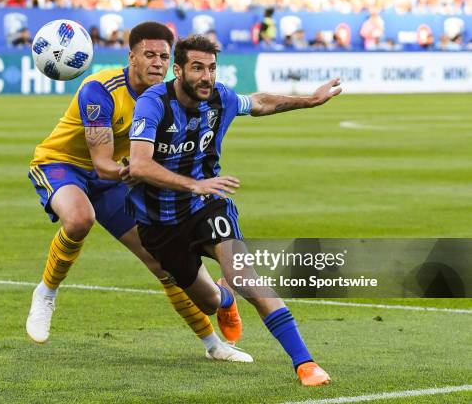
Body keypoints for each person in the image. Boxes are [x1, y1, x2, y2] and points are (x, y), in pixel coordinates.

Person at [26, 22, 250, 362]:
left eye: (163, 56)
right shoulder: (99, 90)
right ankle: (46, 293)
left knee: (162, 263)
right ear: (131, 57)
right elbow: (101, 164)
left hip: (117, 177)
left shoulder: (166, 98)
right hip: (63, 164)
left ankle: (212, 344)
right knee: (79, 218)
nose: (157, 63)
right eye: (149, 55)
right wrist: (137, 172)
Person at [125, 35, 341, 386]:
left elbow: (258, 102)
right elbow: (138, 165)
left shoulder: (220, 98)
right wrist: (192, 183)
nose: (206, 76)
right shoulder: (154, 103)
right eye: (197, 68)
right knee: (208, 302)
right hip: (158, 223)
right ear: (177, 70)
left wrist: (309, 100)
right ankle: (225, 297)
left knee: (246, 276)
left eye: (211, 68)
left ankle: (305, 363)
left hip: (207, 205)